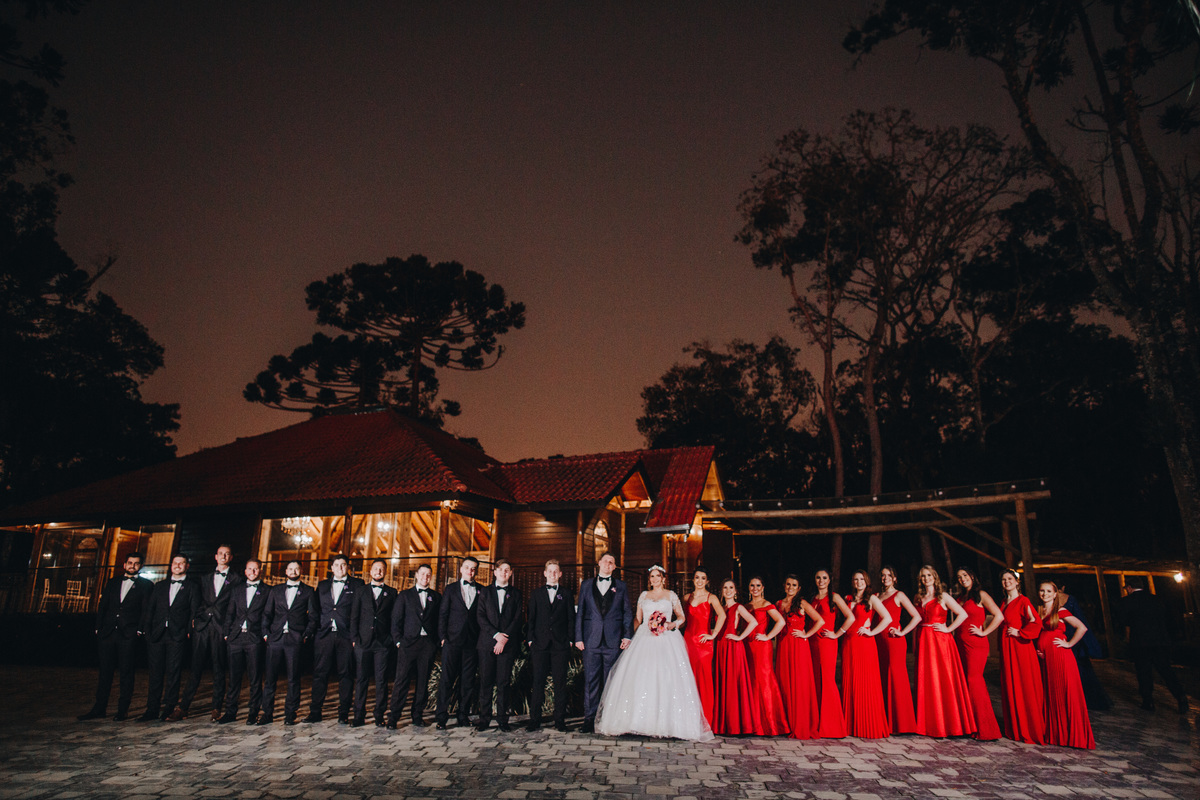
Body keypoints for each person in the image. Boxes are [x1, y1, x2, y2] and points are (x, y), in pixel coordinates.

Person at [594, 566, 714, 741]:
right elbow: (638, 619)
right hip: (645, 637)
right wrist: (628, 635)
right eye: (652, 576)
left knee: (667, 677)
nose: (655, 579)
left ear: (663, 578)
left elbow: (682, 617)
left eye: (658, 576)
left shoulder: (671, 595)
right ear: (649, 579)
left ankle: (670, 724)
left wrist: (672, 624)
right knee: (642, 676)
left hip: (667, 639)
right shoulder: (644, 595)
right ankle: (637, 722)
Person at [78, 552, 153, 721]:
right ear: (124, 564)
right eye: (130, 562)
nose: (132, 566)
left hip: (129, 633)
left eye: (136, 563)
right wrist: (98, 627)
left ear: (141, 566)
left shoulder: (146, 585)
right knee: (105, 672)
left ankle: (122, 710)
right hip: (108, 632)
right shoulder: (113, 582)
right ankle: (99, 708)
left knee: (126, 672)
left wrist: (139, 630)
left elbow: (146, 610)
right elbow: (103, 604)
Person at [912, 565, 976, 738]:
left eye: (929, 575)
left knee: (943, 678)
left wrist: (948, 628)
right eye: (923, 576)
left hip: (940, 641)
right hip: (924, 640)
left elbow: (962, 614)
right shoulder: (918, 597)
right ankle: (929, 723)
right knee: (927, 679)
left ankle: (949, 724)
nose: (926, 579)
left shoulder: (943, 596)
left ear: (935, 577)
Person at [178, 545, 239, 722]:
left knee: (218, 668)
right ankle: (183, 707)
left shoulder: (236, 579)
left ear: (231, 557)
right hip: (203, 626)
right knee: (195, 668)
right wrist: (197, 619)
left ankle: (216, 708)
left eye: (227, 554)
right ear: (215, 556)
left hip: (220, 627)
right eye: (220, 553)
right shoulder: (204, 578)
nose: (223, 556)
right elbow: (197, 601)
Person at [574, 552, 633, 734]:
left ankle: (608, 719)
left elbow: (627, 612)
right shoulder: (586, 585)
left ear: (614, 567)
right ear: (599, 563)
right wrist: (578, 637)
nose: (608, 564)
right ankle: (589, 719)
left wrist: (627, 636)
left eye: (611, 562)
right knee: (591, 680)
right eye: (605, 561)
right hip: (591, 640)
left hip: (613, 640)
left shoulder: (621, 586)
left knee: (611, 681)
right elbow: (581, 612)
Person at [138, 554, 200, 722]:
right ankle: (151, 709)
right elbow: (150, 609)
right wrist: (147, 631)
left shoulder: (192, 587)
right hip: (157, 634)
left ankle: (169, 708)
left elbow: (194, 611)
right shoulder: (160, 586)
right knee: (155, 673)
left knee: (173, 672)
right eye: (175, 563)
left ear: (187, 566)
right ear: (171, 565)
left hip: (177, 634)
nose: (177, 566)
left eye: (181, 563)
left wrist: (188, 631)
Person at [1036, 581, 1096, 749]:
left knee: (1065, 693)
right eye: (1042, 591)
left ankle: (1074, 737)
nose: (1045, 594)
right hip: (1046, 658)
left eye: (1049, 591)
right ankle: (1057, 735)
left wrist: (1069, 644)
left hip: (1060, 657)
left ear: (1055, 594)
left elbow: (1082, 628)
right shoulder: (1040, 611)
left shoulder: (1060, 611)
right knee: (1052, 693)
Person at [1116, 576, 1188, 714]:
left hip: (1140, 641)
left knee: (1144, 671)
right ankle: (1180, 696)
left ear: (1129, 588)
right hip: (1160, 641)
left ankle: (1148, 701)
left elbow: (1124, 621)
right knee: (1166, 670)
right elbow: (1167, 618)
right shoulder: (1156, 599)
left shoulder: (1127, 601)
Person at [260, 560, 317, 725]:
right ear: (286, 571)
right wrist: (266, 634)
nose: (293, 571)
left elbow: (313, 617)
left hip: (295, 639)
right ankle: (267, 714)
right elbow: (267, 613)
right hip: (275, 638)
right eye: (290, 569)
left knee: (293, 678)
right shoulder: (275, 590)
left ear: (301, 571)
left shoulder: (308, 591)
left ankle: (290, 714)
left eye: (296, 569)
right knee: (270, 678)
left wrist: (305, 635)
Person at [837, 570, 892, 739]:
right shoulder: (847, 599)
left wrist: (872, 632)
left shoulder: (872, 599)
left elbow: (887, 618)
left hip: (865, 644)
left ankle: (867, 725)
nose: (858, 582)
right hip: (848, 643)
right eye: (855, 579)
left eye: (861, 579)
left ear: (866, 581)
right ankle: (850, 725)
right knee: (850, 681)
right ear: (852, 582)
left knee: (866, 682)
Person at [306, 554, 359, 724]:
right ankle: (315, 712)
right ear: (332, 568)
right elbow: (315, 610)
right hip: (324, 634)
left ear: (347, 567)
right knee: (320, 673)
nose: (340, 568)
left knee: (346, 674)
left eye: (343, 565)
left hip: (346, 635)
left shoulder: (357, 585)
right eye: (337, 565)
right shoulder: (322, 585)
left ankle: (343, 713)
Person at [526, 559, 576, 732]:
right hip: (540, 644)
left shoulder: (566, 594)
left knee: (560, 683)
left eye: (556, 571)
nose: (553, 574)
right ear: (545, 573)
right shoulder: (536, 594)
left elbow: (571, 618)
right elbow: (531, 618)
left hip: (560, 645)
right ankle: (534, 719)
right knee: (538, 681)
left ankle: (559, 720)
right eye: (550, 571)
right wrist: (530, 639)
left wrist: (570, 639)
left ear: (560, 574)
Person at [953, 567, 1002, 740]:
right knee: (964, 681)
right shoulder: (960, 598)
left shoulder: (981, 595)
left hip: (975, 643)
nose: (962, 579)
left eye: (965, 575)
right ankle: (968, 725)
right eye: (959, 577)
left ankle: (986, 728)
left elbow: (999, 616)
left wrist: (984, 632)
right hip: (959, 642)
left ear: (972, 576)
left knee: (974, 680)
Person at [388, 563, 440, 728]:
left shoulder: (436, 597)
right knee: (401, 681)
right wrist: (398, 641)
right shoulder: (404, 595)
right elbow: (396, 620)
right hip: (408, 644)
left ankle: (417, 715)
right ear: (416, 575)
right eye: (422, 574)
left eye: (428, 574)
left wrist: (435, 643)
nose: (425, 577)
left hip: (427, 645)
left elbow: (439, 622)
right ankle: (393, 717)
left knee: (423, 681)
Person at [998, 569, 1045, 744]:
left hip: (1020, 647)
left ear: (1017, 582)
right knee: (1011, 683)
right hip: (1007, 647)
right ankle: (1016, 727)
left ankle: (1030, 728)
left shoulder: (1023, 601)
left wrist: (1020, 632)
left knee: (1023, 684)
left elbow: (1036, 621)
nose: (1007, 582)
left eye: (1010, 578)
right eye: (1004, 579)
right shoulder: (1004, 601)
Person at [220, 558, 268, 724]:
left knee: (255, 678)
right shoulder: (237, 589)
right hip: (235, 637)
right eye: (249, 569)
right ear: (245, 571)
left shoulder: (267, 590)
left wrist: (264, 634)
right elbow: (230, 613)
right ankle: (230, 712)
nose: (252, 572)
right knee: (234, 677)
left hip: (254, 638)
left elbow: (267, 614)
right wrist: (227, 633)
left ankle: (253, 713)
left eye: (256, 569)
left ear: (260, 571)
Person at [775, 574, 824, 739]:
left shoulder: (802, 603)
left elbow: (820, 620)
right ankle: (785, 723)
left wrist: (806, 634)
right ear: (784, 585)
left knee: (799, 683)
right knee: (784, 681)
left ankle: (800, 722)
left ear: (799, 588)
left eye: (794, 585)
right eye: (788, 584)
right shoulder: (779, 603)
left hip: (798, 646)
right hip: (783, 645)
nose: (790, 587)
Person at [475, 560, 523, 732]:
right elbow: (480, 616)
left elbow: (518, 618)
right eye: (501, 569)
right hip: (487, 643)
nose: (504, 572)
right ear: (495, 572)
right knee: (486, 682)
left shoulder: (516, 594)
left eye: (507, 570)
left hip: (507, 645)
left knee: (504, 683)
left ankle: (503, 719)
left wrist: (504, 639)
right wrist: (496, 635)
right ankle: (484, 719)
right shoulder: (485, 592)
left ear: (510, 573)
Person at [350, 558, 397, 727]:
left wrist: (390, 640)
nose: (378, 571)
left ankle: (379, 715)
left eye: (381, 569)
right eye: (376, 569)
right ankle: (358, 715)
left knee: (381, 680)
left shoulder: (392, 593)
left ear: (385, 572)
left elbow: (394, 618)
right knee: (361, 679)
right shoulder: (361, 591)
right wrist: (355, 639)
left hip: (382, 644)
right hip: (363, 642)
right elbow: (354, 616)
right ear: (370, 572)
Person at [435, 557, 481, 729]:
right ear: (461, 569)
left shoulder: (482, 590)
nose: (470, 571)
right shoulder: (450, 589)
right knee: (446, 680)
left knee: (467, 681)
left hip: (472, 643)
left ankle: (463, 715)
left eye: (473, 568)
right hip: (452, 641)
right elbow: (443, 614)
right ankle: (441, 717)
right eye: (467, 567)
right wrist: (443, 637)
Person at [876, 566, 920, 735]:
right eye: (883, 575)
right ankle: (886, 720)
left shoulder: (899, 595)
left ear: (895, 578)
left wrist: (903, 632)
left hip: (894, 641)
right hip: (878, 641)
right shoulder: (877, 596)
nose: (886, 578)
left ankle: (902, 723)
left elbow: (916, 616)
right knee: (883, 676)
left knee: (896, 677)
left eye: (889, 575)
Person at [713, 578, 760, 735]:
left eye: (731, 588)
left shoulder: (738, 607)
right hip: (721, 646)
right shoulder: (721, 608)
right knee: (723, 682)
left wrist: (740, 637)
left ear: (735, 591)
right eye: (725, 588)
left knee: (733, 683)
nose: (728, 590)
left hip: (733, 647)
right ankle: (724, 724)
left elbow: (753, 622)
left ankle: (736, 725)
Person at [745, 576, 790, 735]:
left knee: (764, 681)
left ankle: (770, 724)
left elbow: (781, 622)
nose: (755, 588)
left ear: (763, 588)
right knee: (752, 681)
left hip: (762, 647)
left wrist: (768, 636)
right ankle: (754, 723)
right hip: (748, 646)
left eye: (758, 585)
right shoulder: (747, 606)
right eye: (752, 585)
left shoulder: (766, 604)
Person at [682, 568, 725, 728]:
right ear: (693, 580)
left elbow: (722, 615)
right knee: (688, 678)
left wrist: (713, 635)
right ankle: (689, 720)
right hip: (687, 641)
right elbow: (682, 619)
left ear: (707, 581)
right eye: (697, 577)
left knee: (704, 680)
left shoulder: (711, 597)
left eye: (703, 578)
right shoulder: (686, 597)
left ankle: (706, 720)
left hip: (703, 643)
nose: (699, 581)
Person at [1057, 586, 1112, 711]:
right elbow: (1081, 617)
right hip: (1072, 636)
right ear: (1063, 587)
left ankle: (1074, 699)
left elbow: (1081, 624)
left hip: (1066, 636)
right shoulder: (1069, 598)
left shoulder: (1057, 602)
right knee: (1079, 668)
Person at [811, 569, 850, 738]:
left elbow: (850, 617)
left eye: (824, 578)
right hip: (812, 643)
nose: (821, 580)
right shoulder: (812, 598)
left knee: (827, 680)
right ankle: (818, 723)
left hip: (827, 642)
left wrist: (837, 633)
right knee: (816, 680)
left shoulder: (834, 597)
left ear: (829, 580)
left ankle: (833, 726)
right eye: (818, 577)